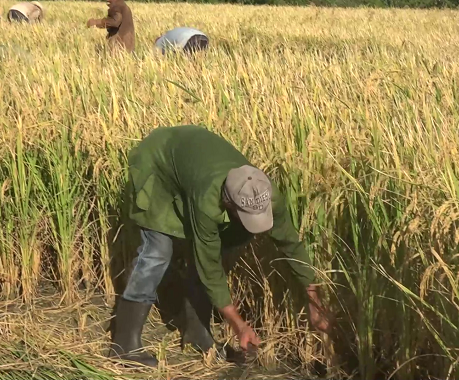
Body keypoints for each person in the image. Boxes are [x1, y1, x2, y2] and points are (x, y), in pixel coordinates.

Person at [108, 125, 329, 367]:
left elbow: (291, 245)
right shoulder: (208, 201)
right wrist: (239, 325)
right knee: (158, 251)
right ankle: (124, 345)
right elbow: (209, 265)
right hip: (160, 162)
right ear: (228, 203)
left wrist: (314, 300)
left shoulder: (264, 193)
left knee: (234, 237)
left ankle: (196, 334)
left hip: (192, 161)